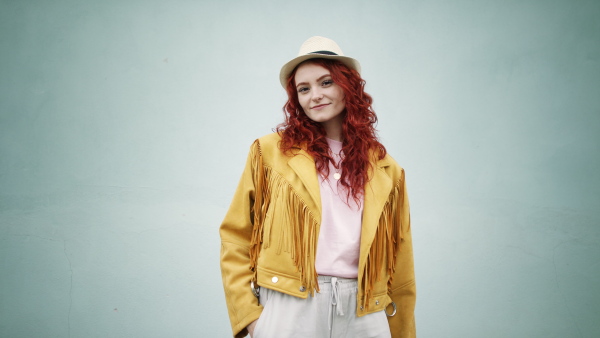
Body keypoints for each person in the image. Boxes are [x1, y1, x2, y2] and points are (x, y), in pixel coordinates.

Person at [219, 36, 416, 338]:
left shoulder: (385, 168)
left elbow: (400, 260)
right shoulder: (270, 153)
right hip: (292, 302)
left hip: (365, 308)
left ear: (348, 86)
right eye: (304, 89)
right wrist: (251, 317)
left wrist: (401, 331)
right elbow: (236, 236)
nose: (315, 96)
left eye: (326, 82)